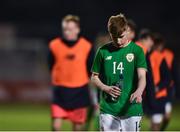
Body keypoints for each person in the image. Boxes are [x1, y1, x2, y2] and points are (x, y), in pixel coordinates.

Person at [91, 13, 147, 131]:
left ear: (127, 30)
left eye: (121, 36)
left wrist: (139, 91)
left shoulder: (137, 50)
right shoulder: (103, 51)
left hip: (132, 108)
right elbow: (94, 77)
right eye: (114, 36)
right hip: (108, 108)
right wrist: (105, 88)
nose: (118, 40)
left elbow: (142, 76)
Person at [48, 15, 94, 131]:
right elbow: (50, 65)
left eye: (71, 29)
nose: (67, 32)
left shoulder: (86, 46)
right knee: (56, 126)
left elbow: (91, 68)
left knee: (77, 128)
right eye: (65, 29)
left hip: (79, 91)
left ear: (78, 29)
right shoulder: (54, 45)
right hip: (60, 91)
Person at [149, 33, 172, 131]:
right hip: (149, 94)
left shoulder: (165, 56)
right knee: (154, 122)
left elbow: (169, 77)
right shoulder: (145, 55)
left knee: (159, 120)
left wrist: (158, 87)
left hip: (162, 93)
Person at [135, 29, 157, 117]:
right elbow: (148, 76)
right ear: (145, 39)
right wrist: (152, 99)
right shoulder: (142, 50)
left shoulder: (130, 46)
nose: (152, 44)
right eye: (151, 40)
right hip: (136, 91)